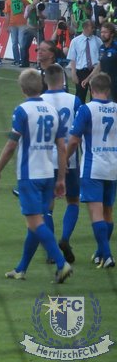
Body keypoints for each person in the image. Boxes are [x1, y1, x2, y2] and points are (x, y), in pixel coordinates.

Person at [0, 69, 72, 283]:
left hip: (29, 175)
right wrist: (61, 178)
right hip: (48, 174)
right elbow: (62, 147)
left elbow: (11, 145)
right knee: (35, 224)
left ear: (22, 89)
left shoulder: (22, 110)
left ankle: (61, 264)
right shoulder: (53, 111)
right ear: (41, 86)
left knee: (35, 222)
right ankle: (21, 269)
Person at [66, 72, 116, 269]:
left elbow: (74, 140)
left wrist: (65, 158)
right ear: (108, 90)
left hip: (93, 167)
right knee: (108, 212)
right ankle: (100, 252)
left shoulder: (86, 110)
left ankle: (108, 256)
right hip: (113, 167)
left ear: (91, 89)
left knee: (96, 213)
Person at [41, 64, 81, 265]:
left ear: (45, 80)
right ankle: (65, 238)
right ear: (63, 80)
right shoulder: (74, 100)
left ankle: (51, 252)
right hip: (69, 159)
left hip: (45, 160)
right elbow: (80, 132)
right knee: (73, 201)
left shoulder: (39, 101)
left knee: (47, 206)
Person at [82, 22, 117, 102]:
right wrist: (88, 78)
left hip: (114, 85)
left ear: (112, 34)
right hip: (104, 84)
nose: (102, 34)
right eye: (101, 32)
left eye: (105, 32)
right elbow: (100, 65)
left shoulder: (115, 47)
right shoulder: (101, 48)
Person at [68, 20, 101, 103]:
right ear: (85, 28)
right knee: (80, 98)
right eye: (91, 28)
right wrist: (73, 73)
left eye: (93, 28)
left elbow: (101, 57)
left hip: (94, 71)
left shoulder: (98, 41)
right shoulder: (75, 41)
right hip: (81, 72)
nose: (93, 30)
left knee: (95, 97)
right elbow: (72, 58)